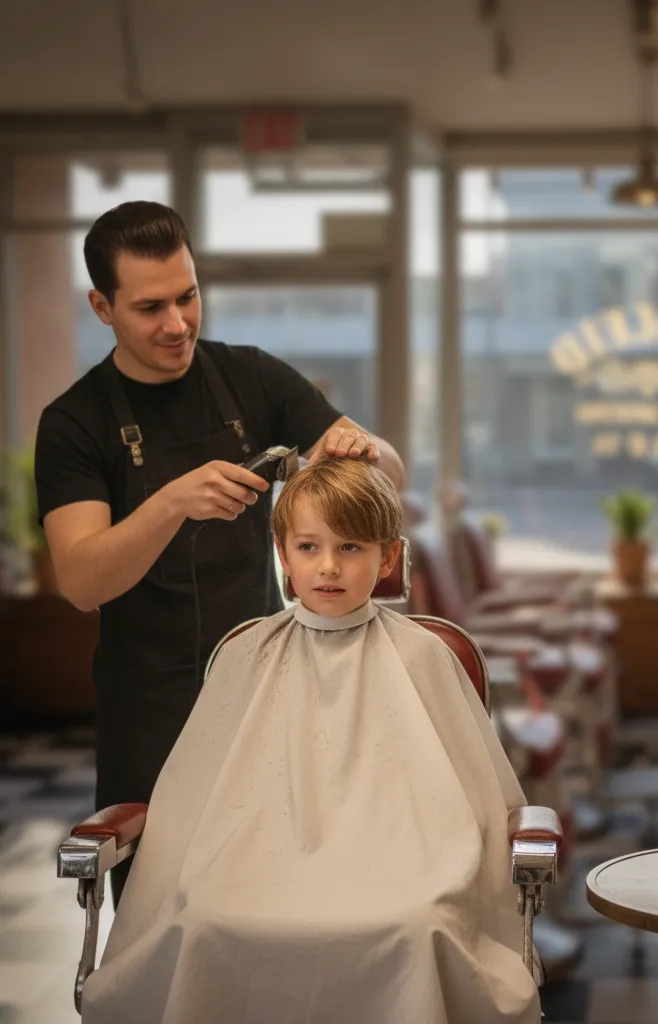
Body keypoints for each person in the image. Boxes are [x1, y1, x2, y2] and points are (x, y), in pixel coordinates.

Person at [80, 458, 542, 1024]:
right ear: (282, 555)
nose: (328, 567)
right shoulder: (246, 653)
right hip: (254, 860)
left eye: (350, 548)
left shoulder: (426, 655)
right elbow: (193, 794)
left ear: (388, 556)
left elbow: (475, 794)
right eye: (308, 547)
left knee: (420, 922)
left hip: (404, 862)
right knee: (202, 917)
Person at [34, 201, 403, 903]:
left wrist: (365, 451)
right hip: (149, 712)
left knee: (280, 905)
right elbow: (82, 580)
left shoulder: (251, 378)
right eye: (150, 308)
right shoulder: (74, 424)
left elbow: (390, 471)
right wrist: (173, 502)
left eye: (188, 296)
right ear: (101, 307)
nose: (177, 324)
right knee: (163, 918)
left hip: (266, 692)